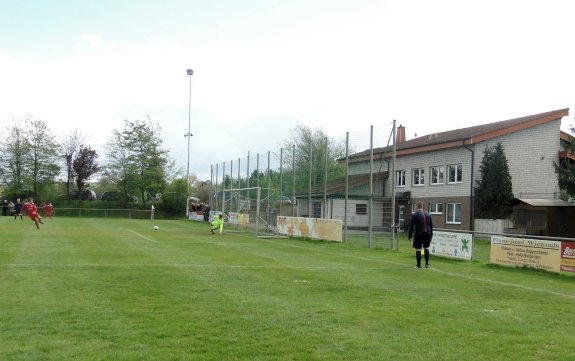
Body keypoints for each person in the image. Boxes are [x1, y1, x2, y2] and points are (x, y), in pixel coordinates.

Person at [408, 201, 433, 269]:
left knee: (418, 249)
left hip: (419, 233)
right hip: (427, 233)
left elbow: (411, 226)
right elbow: (431, 226)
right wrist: (431, 235)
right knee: (426, 248)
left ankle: (418, 265)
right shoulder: (428, 214)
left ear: (416, 207)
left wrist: (409, 236)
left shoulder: (415, 214)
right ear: (422, 206)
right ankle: (427, 264)